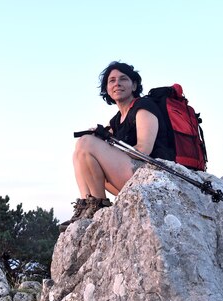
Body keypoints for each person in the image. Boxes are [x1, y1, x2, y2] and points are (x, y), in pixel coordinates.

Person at [59, 61, 174, 232]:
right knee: (81, 149)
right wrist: (101, 139)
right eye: (111, 81)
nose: (117, 83)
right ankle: (87, 205)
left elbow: (144, 150)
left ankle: (97, 207)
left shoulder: (144, 107)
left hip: (152, 178)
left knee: (85, 143)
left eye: (123, 79)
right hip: (131, 176)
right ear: (107, 88)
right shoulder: (116, 120)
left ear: (134, 85)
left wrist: (103, 144)